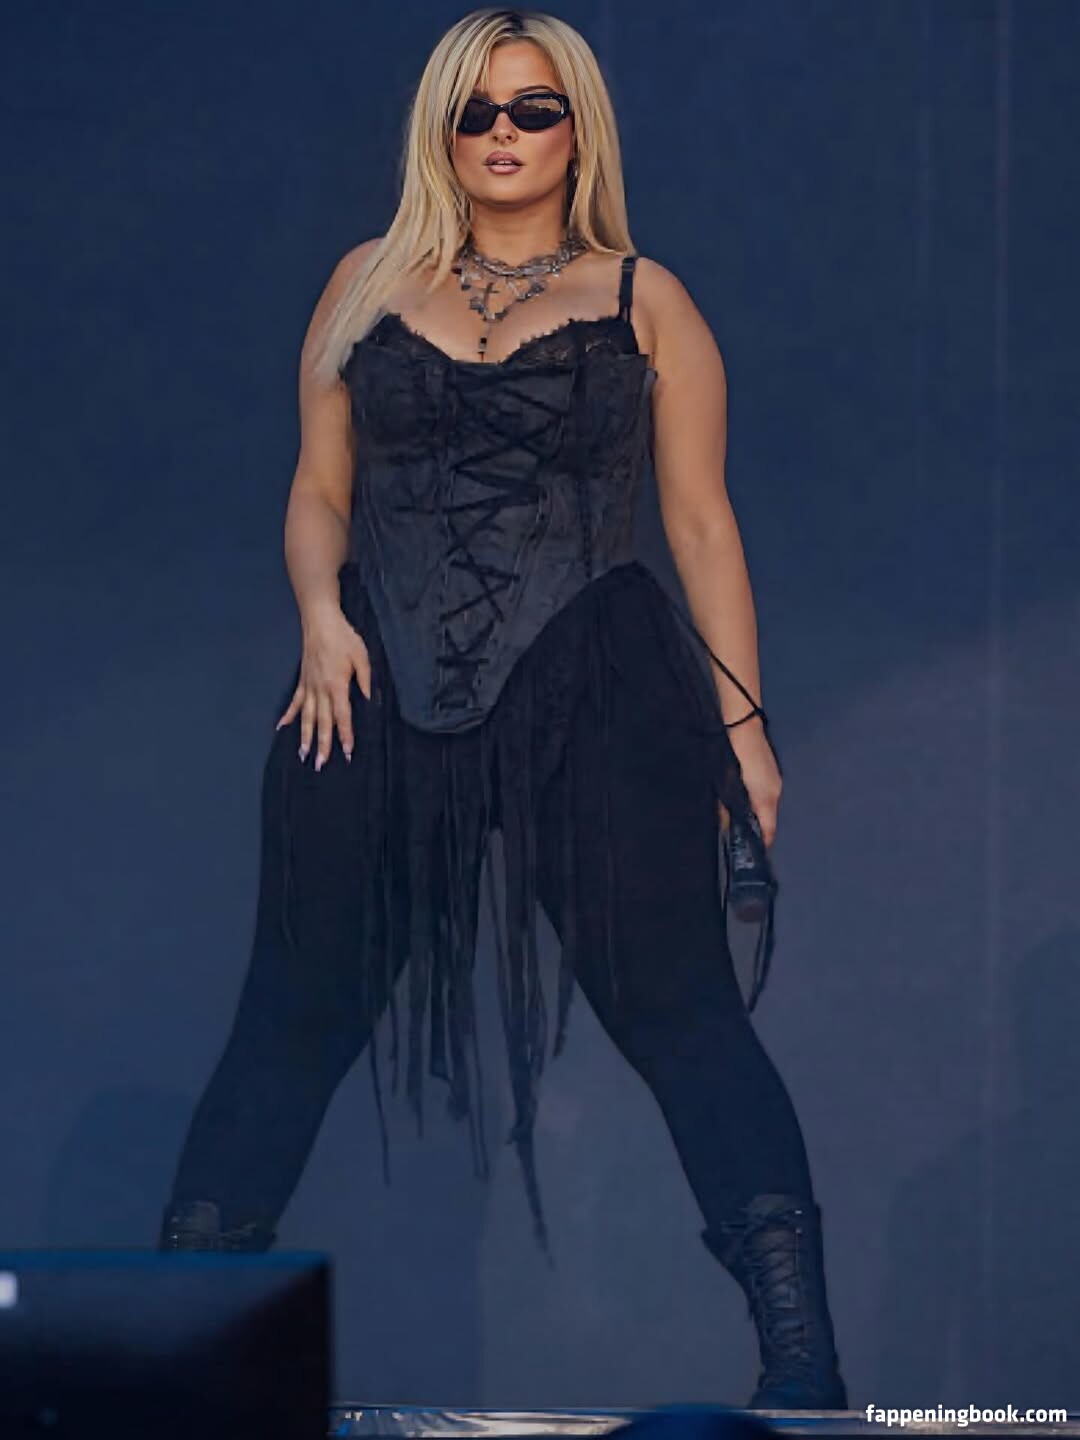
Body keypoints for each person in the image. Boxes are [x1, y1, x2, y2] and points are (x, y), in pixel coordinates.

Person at [158, 6, 849, 1414]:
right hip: (370, 681)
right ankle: (164, 1363)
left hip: (594, 681)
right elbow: (319, 488)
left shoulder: (645, 297)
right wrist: (319, 613)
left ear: (578, 129)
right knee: (292, 1012)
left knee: (680, 1010)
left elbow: (701, 524)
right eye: (476, 110)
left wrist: (746, 733)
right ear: (442, 130)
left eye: (534, 108)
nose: (503, 134)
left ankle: (804, 1368)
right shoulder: (365, 281)